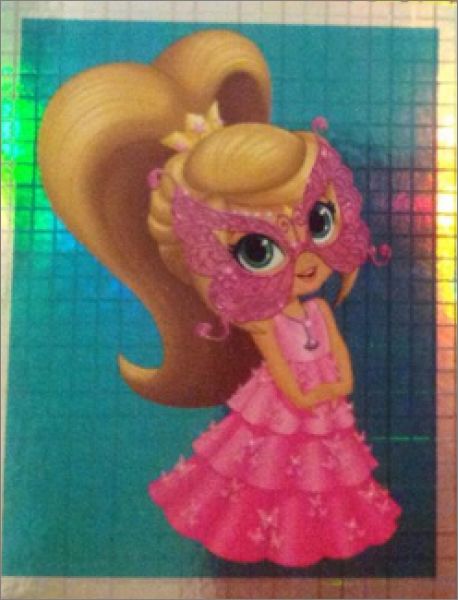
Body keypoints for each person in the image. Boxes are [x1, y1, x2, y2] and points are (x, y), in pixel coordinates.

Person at [39, 29, 400, 567]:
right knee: (264, 480)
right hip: (289, 412)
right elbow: (289, 378)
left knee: (320, 484)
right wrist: (319, 395)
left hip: (321, 408)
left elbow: (341, 369)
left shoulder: (319, 309)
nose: (305, 258)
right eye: (259, 249)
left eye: (319, 221)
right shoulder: (264, 325)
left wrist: (330, 390)